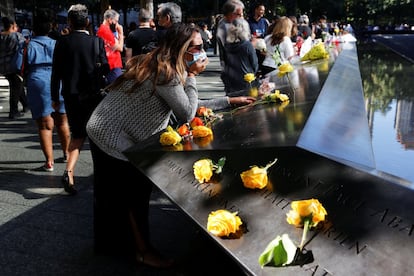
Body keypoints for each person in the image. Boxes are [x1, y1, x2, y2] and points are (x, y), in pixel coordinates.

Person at [86, 23, 208, 268]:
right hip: (113, 136)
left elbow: (185, 105)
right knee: (135, 194)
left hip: (101, 127)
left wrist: (229, 100)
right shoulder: (168, 73)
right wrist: (193, 77)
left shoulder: (159, 62)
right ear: (182, 49)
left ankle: (111, 245)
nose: (202, 51)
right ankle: (142, 251)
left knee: (112, 191)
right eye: (197, 46)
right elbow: (185, 112)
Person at [51, 4, 109, 195]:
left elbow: (56, 73)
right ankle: (101, 177)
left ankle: (69, 172)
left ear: (69, 22)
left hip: (71, 95)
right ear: (88, 22)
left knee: (77, 134)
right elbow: (105, 69)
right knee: (96, 135)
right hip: (92, 95)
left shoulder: (62, 42)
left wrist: (54, 97)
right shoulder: (96, 41)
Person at [23, 10, 70, 172]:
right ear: (50, 28)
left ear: (34, 29)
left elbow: (20, 66)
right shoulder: (57, 43)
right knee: (62, 120)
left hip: (37, 80)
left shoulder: (29, 45)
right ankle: (66, 153)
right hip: (59, 80)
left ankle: (49, 162)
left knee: (44, 125)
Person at [221, 18, 258, 95]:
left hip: (231, 80)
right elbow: (254, 64)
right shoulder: (247, 45)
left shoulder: (226, 46)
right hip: (247, 80)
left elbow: (224, 62)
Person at [0, 17, 28, 119]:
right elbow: (25, 46)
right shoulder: (16, 36)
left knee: (17, 85)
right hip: (15, 65)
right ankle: (13, 111)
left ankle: (26, 104)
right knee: (16, 87)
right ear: (12, 26)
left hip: (4, 66)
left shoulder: (1, 36)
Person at [96, 9, 124, 84]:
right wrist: (121, 33)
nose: (117, 23)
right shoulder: (105, 31)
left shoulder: (104, 30)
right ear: (110, 20)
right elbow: (120, 48)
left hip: (112, 64)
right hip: (113, 65)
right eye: (116, 21)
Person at [216, 0, 245, 70]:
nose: (241, 15)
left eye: (242, 13)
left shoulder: (241, 21)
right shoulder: (223, 23)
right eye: (238, 13)